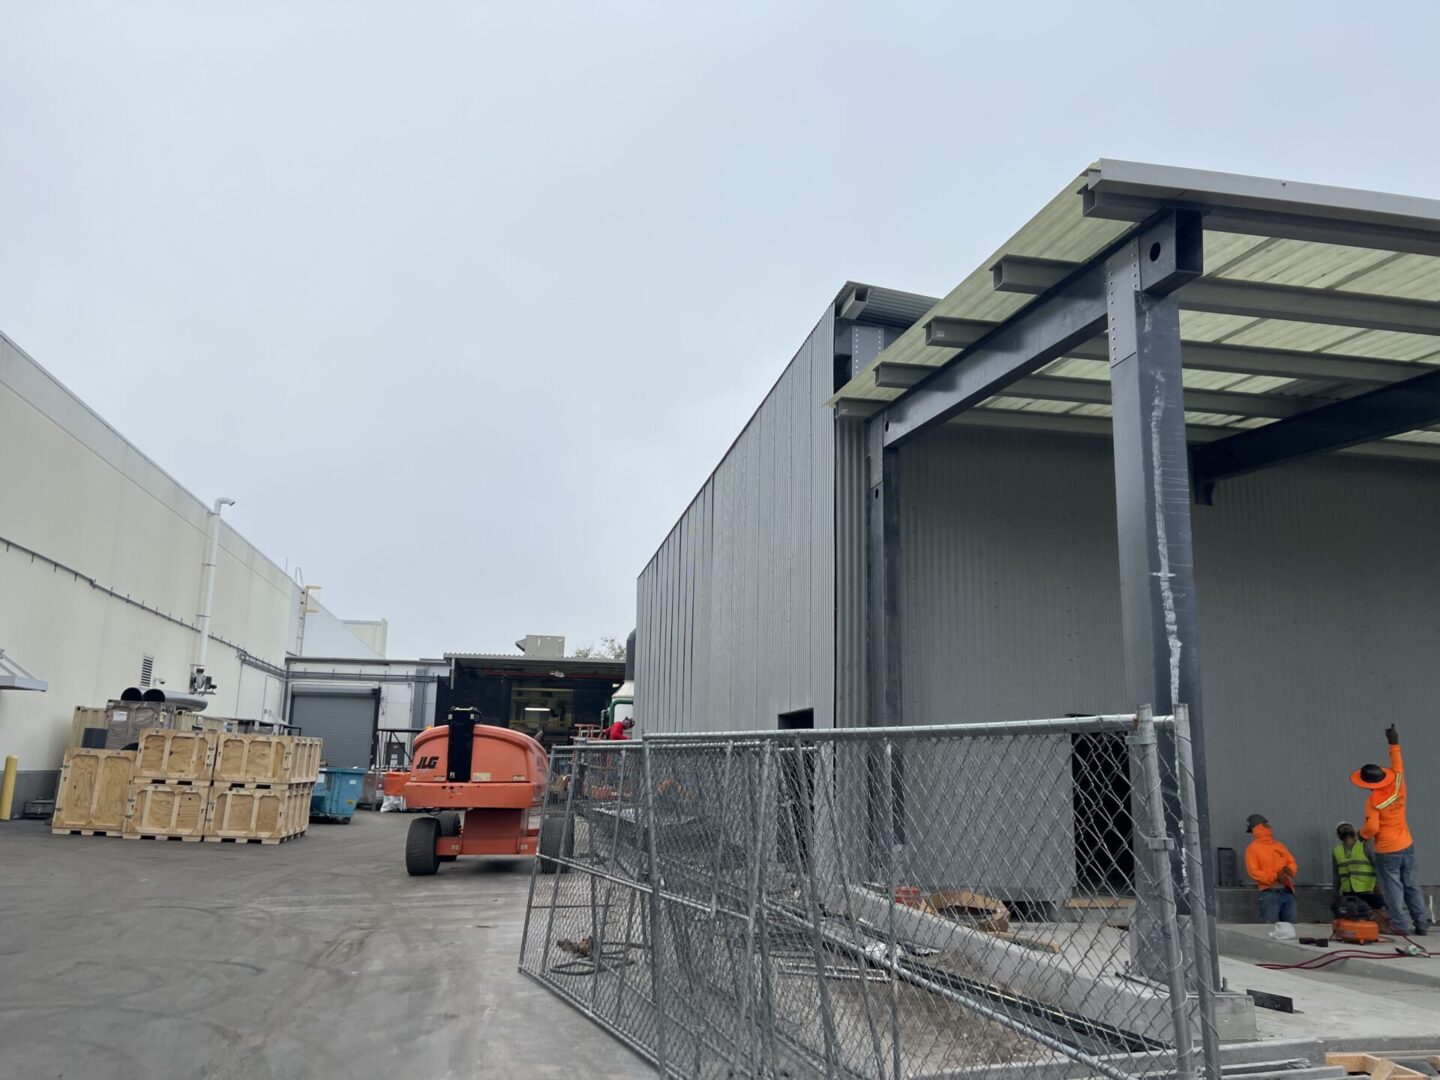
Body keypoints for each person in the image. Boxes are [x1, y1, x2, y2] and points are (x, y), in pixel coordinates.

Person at [1352, 724, 1429, 936]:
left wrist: (1361, 835)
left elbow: (1373, 826)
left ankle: (1400, 925)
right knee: (1412, 884)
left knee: (1394, 888)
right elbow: (1398, 765)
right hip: (1406, 844)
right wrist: (1393, 743)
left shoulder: (1373, 802)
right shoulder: (1398, 785)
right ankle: (1421, 924)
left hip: (1387, 850)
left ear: (1368, 784)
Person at [1245, 813, 1298, 925]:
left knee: (1290, 929)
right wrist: (1275, 876)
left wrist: (1290, 870)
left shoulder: (1279, 845)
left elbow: (1291, 862)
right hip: (1269, 894)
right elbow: (1253, 871)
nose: (1269, 826)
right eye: (1265, 823)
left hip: (1287, 892)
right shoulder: (1253, 848)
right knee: (1269, 930)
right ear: (1258, 827)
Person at [1331, 821, 1383, 913]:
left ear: (1338, 836)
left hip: (1368, 892)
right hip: (1349, 893)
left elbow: (1378, 867)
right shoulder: (1336, 851)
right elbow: (1336, 874)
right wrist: (1335, 893)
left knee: (1375, 918)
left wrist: (1378, 885)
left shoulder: (1365, 846)